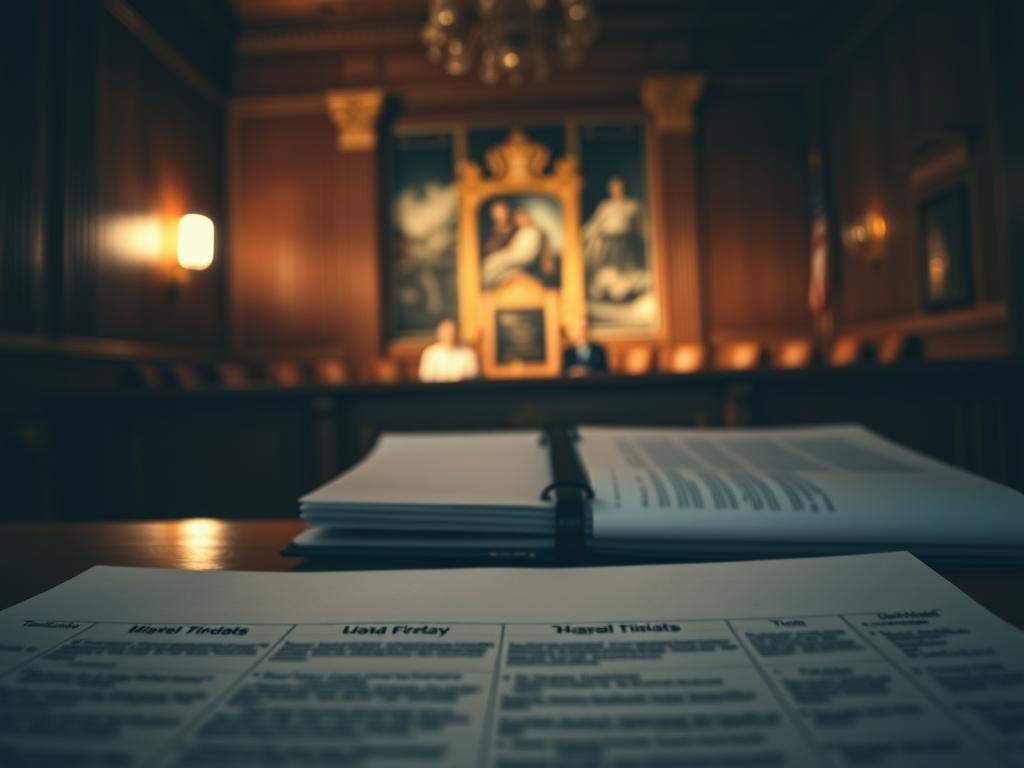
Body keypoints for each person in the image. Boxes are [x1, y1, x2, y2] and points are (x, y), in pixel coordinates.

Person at [481, 207, 546, 288]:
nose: (520, 220)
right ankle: (487, 283)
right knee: (492, 261)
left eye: (522, 218)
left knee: (494, 261)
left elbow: (527, 252)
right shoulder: (520, 231)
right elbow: (512, 247)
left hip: (522, 256)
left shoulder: (532, 231)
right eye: (518, 219)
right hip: (513, 254)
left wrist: (508, 254)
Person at [418, 318, 480, 383]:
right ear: (439, 334)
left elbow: (473, 377)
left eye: (452, 331)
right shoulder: (430, 353)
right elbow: (426, 378)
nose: (449, 335)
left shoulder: (469, 353)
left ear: (457, 333)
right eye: (446, 332)